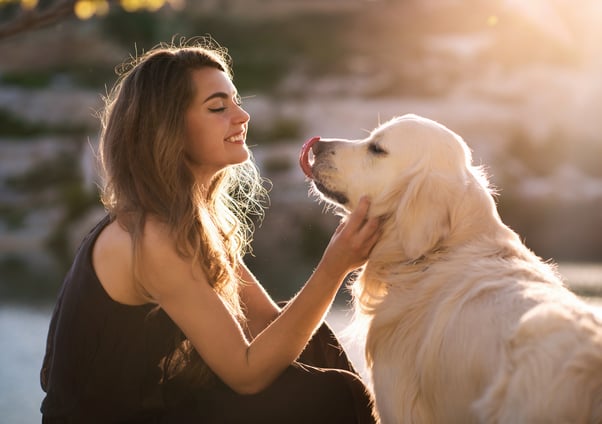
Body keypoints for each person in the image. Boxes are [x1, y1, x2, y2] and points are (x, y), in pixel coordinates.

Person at [40, 40, 381, 423]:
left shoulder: (187, 219)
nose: (242, 116)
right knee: (335, 394)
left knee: (315, 340)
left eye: (236, 101)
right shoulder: (151, 236)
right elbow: (247, 374)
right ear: (169, 130)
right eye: (218, 107)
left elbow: (267, 323)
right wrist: (334, 268)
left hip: (165, 407)